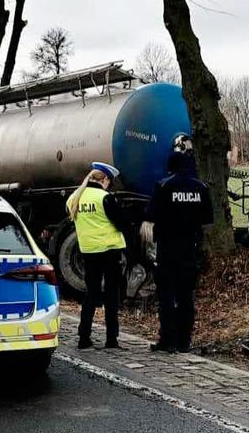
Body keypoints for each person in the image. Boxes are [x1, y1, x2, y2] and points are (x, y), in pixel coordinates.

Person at [142, 144, 213, 352]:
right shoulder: (201, 188)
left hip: (167, 250)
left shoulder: (164, 186)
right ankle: (184, 341)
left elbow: (150, 215)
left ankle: (168, 340)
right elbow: (208, 220)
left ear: (170, 167)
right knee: (185, 297)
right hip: (190, 250)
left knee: (166, 295)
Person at [67, 162, 128, 349]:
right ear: (106, 179)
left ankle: (84, 337)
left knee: (91, 295)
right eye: (110, 181)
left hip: (88, 252)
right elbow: (121, 223)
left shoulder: (74, 199)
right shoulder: (105, 198)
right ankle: (111, 339)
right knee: (111, 295)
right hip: (110, 251)